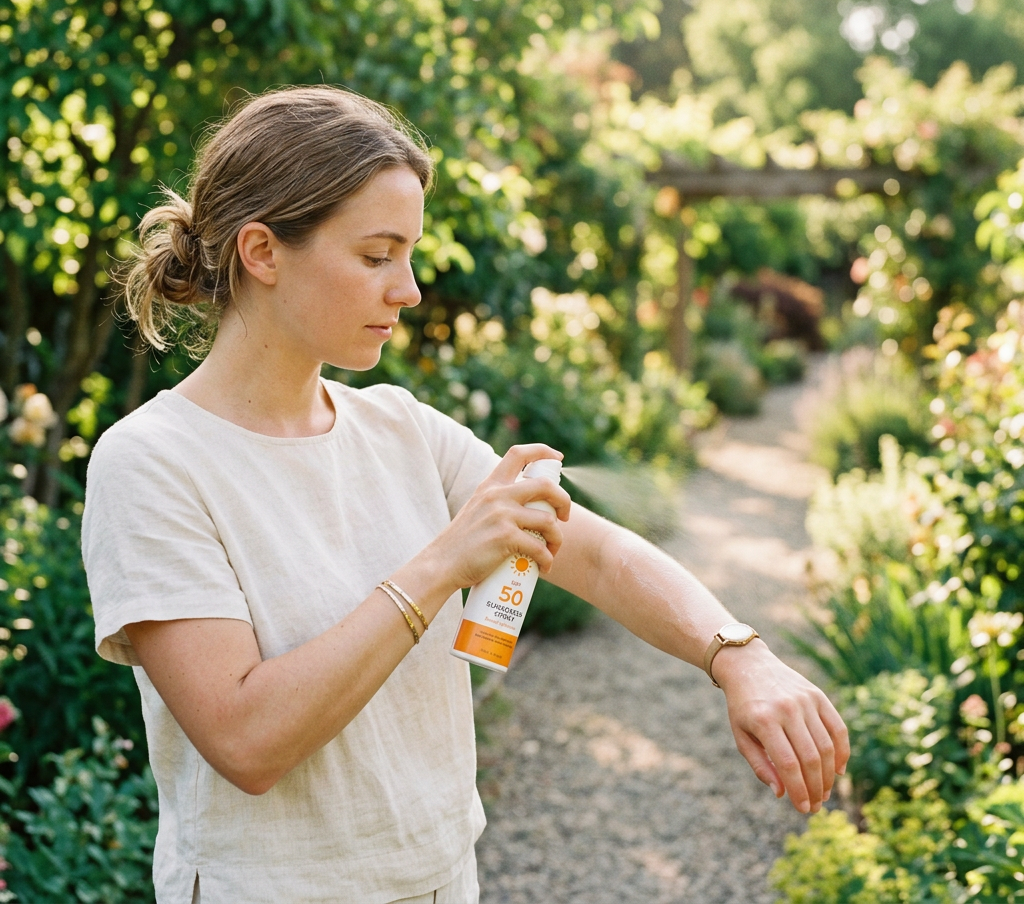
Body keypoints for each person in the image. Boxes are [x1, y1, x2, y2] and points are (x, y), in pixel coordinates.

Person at [82, 86, 849, 904]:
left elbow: (596, 553)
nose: (408, 290)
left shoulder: (402, 428)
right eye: (377, 256)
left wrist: (739, 656)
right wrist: (446, 560)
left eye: (409, 254)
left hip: (444, 882)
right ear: (262, 252)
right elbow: (246, 741)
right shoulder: (152, 464)